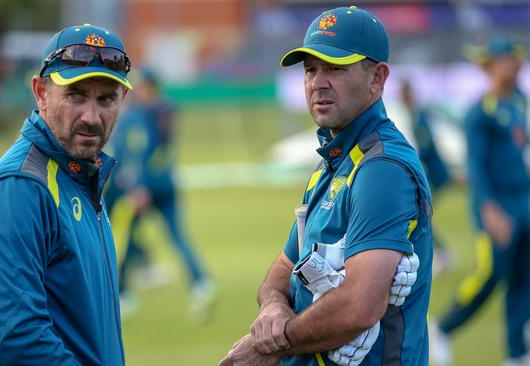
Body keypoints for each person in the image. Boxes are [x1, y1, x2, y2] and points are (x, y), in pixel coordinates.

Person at [220, 6, 433, 366]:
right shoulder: (331, 165)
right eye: (310, 69)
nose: (318, 82)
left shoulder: (382, 168)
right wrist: (273, 307)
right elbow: (282, 272)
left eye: (335, 67)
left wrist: (273, 343)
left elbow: (359, 306)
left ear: (377, 77)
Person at [0, 24, 132, 365]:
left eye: (106, 99)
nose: (91, 116)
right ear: (41, 93)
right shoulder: (18, 188)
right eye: (76, 95)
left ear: (122, 100)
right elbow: (13, 339)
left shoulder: (82, 173)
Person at [430, 36, 530, 366]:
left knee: (523, 278)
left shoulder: (518, 103)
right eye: (509, 59)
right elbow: (476, 167)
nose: (516, 64)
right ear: (492, 65)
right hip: (497, 208)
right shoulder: (479, 113)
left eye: (518, 59)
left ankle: (516, 353)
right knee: (492, 274)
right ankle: (442, 328)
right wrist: (489, 208)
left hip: (523, 203)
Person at [104, 68, 215, 322]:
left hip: (145, 188)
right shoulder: (166, 110)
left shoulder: (140, 114)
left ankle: (123, 293)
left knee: (131, 237)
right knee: (174, 235)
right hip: (166, 182)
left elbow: (137, 152)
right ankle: (201, 283)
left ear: (149, 88)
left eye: (140, 87)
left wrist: (138, 186)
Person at [400, 80, 454, 274]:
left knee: (422, 214)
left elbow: (427, 146)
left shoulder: (418, 116)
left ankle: (441, 255)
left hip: (435, 175)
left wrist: (415, 161)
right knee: (422, 215)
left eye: (403, 94)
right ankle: (441, 254)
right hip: (434, 173)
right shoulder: (415, 115)